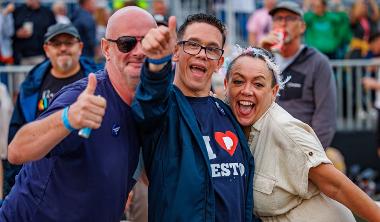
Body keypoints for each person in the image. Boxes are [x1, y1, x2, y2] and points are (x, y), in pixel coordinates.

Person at [0, 6, 156, 221]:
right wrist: (68, 118)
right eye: (126, 43)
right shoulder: (81, 96)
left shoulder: (150, 102)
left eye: (148, 42)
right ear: (106, 48)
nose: (138, 52)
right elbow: (17, 151)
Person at [224, 45, 380, 221]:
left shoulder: (286, 130)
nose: (246, 90)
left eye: (258, 84)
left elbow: (337, 186)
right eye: (238, 81)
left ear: (274, 92)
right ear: (226, 84)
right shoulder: (228, 123)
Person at [133, 13, 256, 222]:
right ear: (175, 52)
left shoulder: (227, 113)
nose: (201, 54)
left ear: (219, 62)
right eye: (192, 44)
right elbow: (148, 105)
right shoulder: (164, 108)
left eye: (211, 49)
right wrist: (156, 65)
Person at [2, 23, 99, 198]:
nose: (63, 48)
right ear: (47, 49)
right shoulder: (32, 85)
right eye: (56, 43)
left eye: (69, 43)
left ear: (80, 47)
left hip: (89, 175)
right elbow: (17, 133)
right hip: (44, 181)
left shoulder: (97, 80)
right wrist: (13, 187)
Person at [260, 1, 336, 149]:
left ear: (302, 27)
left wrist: (309, 158)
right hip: (265, 147)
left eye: (289, 18)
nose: (282, 23)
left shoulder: (317, 62)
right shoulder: (264, 60)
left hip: (300, 150)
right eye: (277, 19)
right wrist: (260, 51)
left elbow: (325, 120)